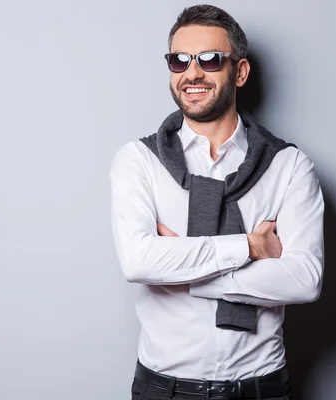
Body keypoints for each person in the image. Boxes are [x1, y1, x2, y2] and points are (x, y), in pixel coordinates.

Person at [109, 4, 324, 400]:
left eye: (209, 59)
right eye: (179, 60)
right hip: (164, 390)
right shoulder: (138, 161)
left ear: (239, 72)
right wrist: (249, 246)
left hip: (262, 388)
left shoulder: (288, 165)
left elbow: (305, 280)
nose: (192, 73)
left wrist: (183, 270)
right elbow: (138, 261)